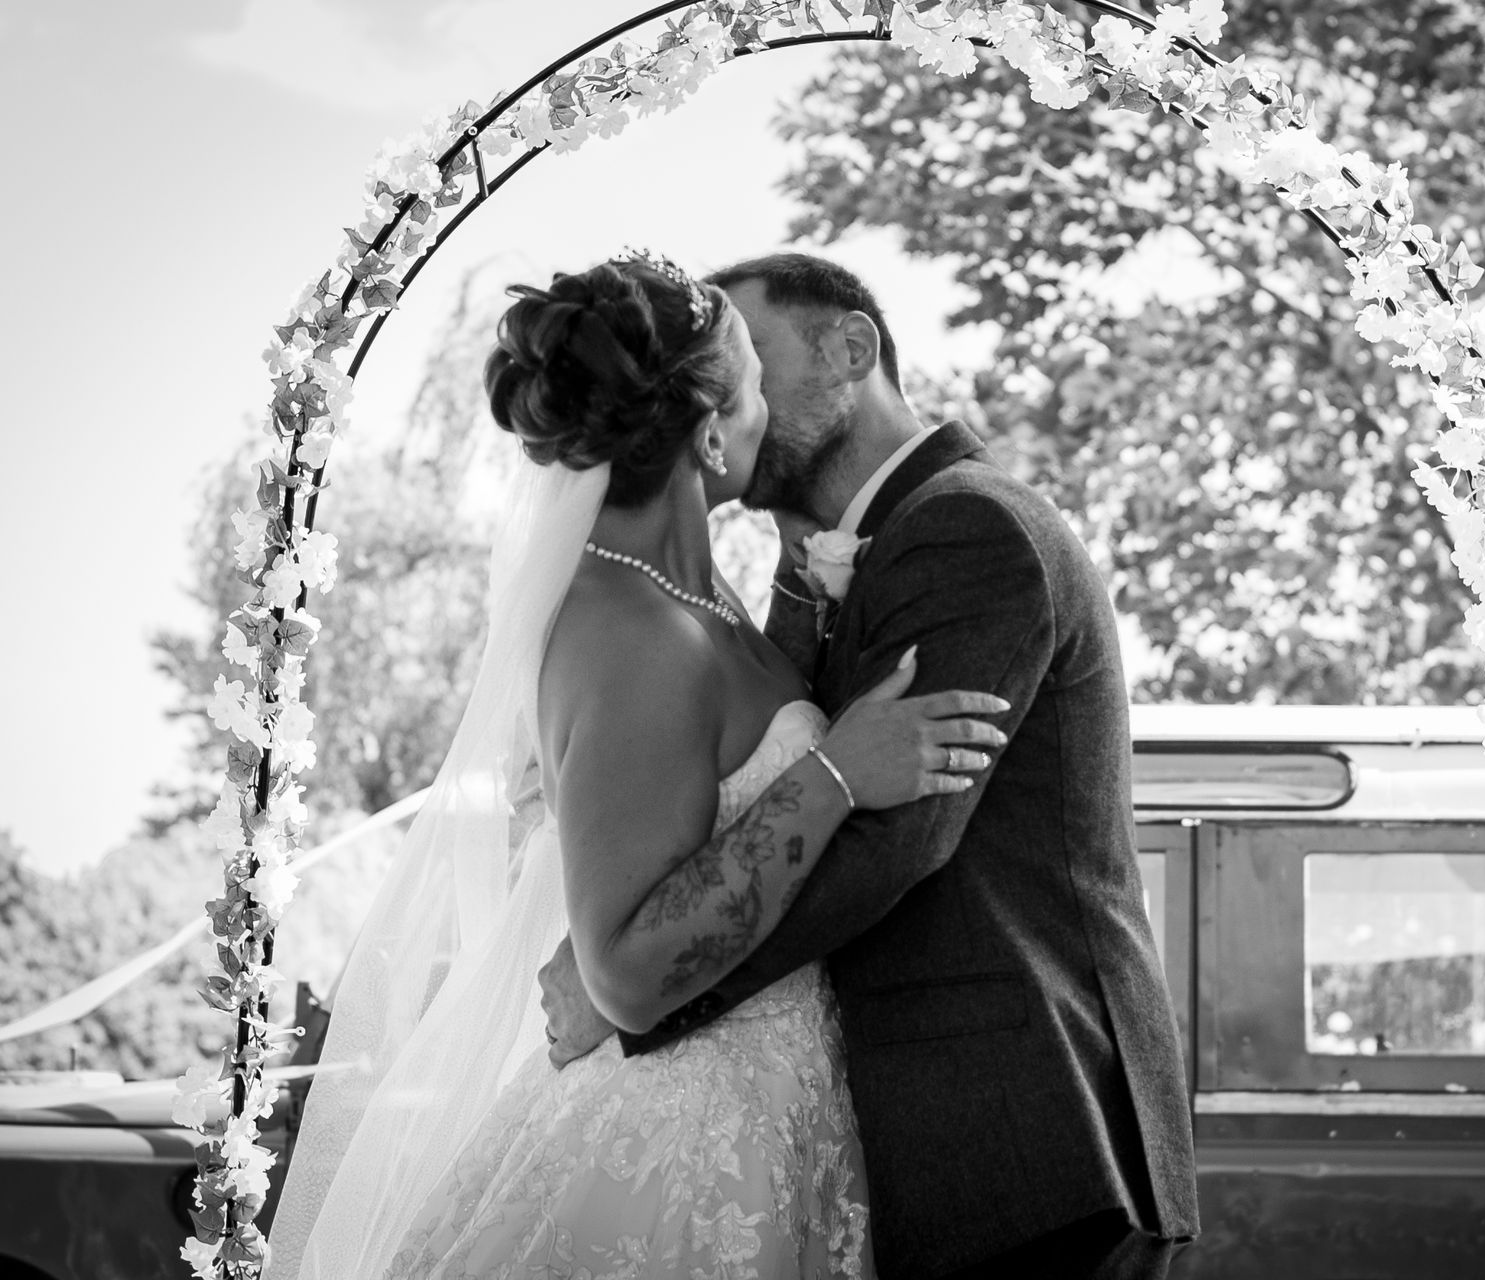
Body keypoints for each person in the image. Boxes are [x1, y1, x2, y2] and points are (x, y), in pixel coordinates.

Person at [266, 251, 1009, 1280]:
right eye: (755, 386)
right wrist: (834, 775)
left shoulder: (691, 599)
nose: (769, 411)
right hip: (681, 1137)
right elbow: (621, 966)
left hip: (773, 1104)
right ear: (710, 430)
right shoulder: (634, 630)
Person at [543, 253, 1201, 1279]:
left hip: (1025, 1137)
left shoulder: (967, 526)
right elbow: (723, 803)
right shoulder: (784, 576)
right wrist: (625, 930)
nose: (726, 392)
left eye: (750, 357)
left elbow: (899, 838)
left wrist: (640, 980)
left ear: (852, 348)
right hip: (897, 1142)